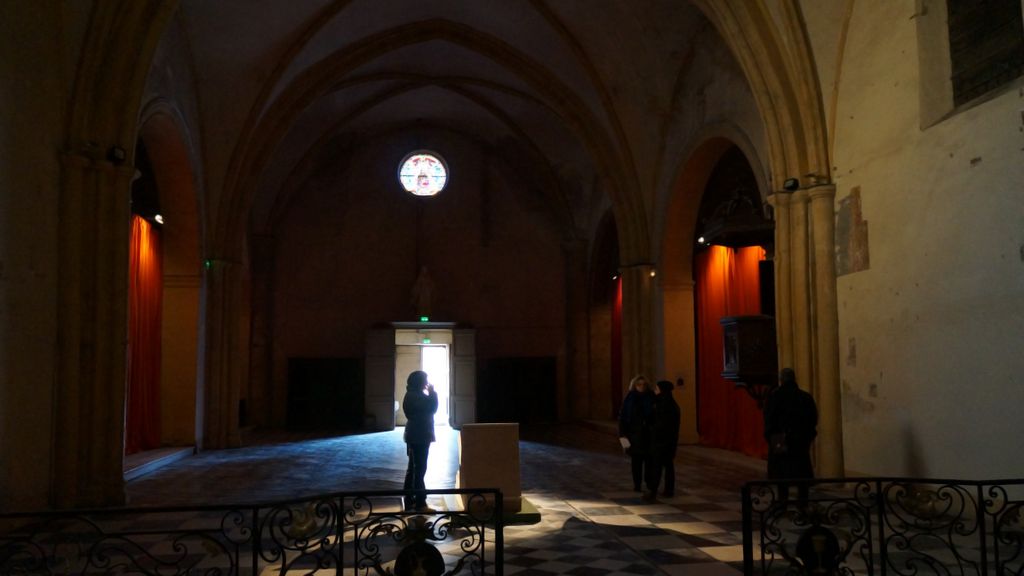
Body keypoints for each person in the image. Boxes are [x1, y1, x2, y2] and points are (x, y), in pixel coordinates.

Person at [763, 368, 818, 505]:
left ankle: (783, 502)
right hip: (801, 440)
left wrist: (772, 437)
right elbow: (813, 419)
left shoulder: (775, 397)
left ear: (781, 380)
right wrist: (807, 436)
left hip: (779, 438)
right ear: (794, 379)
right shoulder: (805, 397)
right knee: (801, 471)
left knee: (781, 473)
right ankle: (803, 503)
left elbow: (769, 419)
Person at [403, 370, 439, 512]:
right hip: (420, 435)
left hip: (415, 434)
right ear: (419, 382)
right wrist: (433, 393)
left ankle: (409, 499)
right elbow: (432, 408)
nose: (427, 382)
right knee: (419, 469)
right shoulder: (415, 395)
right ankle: (420, 502)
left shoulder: (413, 394)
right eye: (425, 379)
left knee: (413, 469)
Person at [618, 374, 654, 493]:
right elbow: (623, 417)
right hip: (634, 435)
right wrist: (622, 434)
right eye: (639, 384)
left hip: (648, 435)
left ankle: (649, 483)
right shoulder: (630, 398)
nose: (641, 387)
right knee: (636, 462)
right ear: (634, 385)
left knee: (649, 462)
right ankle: (637, 484)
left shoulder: (651, 397)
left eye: (644, 384)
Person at [647, 379, 681, 498]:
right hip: (669, 441)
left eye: (657, 389)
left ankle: (653, 492)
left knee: (656, 466)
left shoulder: (664, 406)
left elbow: (660, 424)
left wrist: (652, 429)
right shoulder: (671, 404)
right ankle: (668, 490)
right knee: (668, 465)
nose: (655, 391)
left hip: (661, 441)